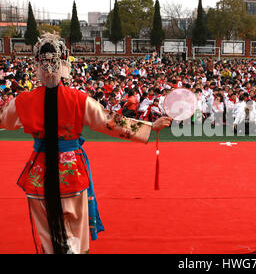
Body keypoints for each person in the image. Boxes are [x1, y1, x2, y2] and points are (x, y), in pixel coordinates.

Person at [0, 33, 172, 254]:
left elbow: (6, 120)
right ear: (63, 65)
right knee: (75, 237)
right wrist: (150, 126)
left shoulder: (22, 101)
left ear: (37, 66)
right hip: (71, 173)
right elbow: (109, 121)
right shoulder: (78, 99)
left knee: (48, 238)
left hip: (39, 174)